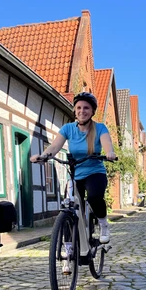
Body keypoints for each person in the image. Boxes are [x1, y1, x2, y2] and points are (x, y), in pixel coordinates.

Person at [30, 92, 116, 244]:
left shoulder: (100, 128)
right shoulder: (68, 128)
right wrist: (43, 156)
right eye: (79, 108)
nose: (82, 111)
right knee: (70, 207)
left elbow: (106, 142)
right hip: (76, 174)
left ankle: (103, 224)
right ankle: (69, 248)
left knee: (94, 197)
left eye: (86, 108)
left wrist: (109, 152)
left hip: (95, 173)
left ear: (92, 111)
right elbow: (55, 146)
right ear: (75, 111)